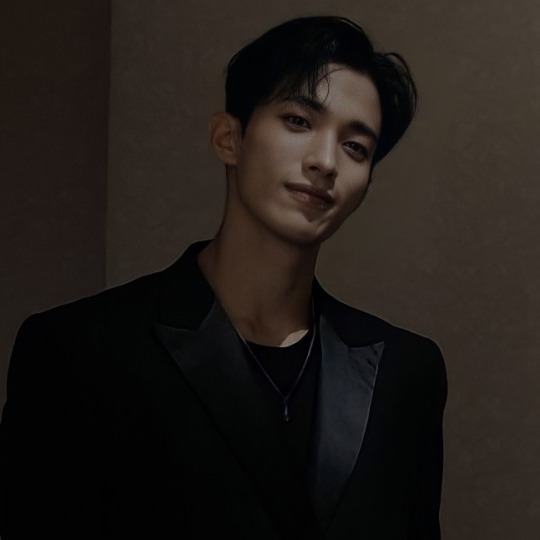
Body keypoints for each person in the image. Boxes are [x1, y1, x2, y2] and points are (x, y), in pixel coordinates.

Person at [0, 16, 447, 539]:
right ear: (228, 138)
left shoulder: (405, 373)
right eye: (298, 121)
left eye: (355, 147)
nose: (325, 161)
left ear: (365, 185)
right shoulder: (80, 350)